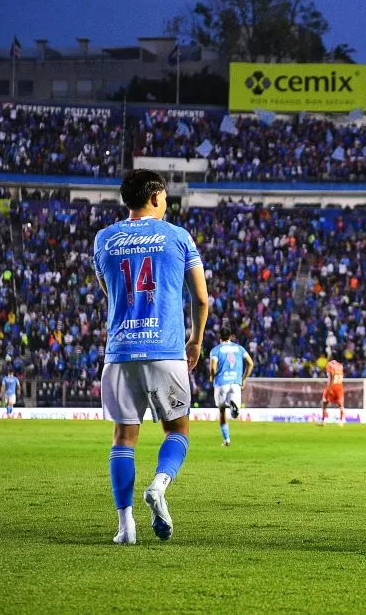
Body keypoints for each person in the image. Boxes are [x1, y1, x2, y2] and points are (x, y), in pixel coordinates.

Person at [94, 169, 209, 545]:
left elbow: (110, 291)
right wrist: (195, 341)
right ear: (156, 197)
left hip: (120, 352)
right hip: (166, 350)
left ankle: (125, 526)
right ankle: (159, 485)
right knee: (177, 431)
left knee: (123, 438)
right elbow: (201, 299)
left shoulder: (104, 239)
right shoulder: (178, 237)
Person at [209, 326, 254, 447]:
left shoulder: (216, 350)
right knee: (235, 414)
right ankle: (234, 409)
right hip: (235, 382)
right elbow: (250, 363)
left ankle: (227, 439)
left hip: (221, 383)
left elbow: (213, 367)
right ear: (230, 336)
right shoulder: (239, 348)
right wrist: (244, 379)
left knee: (221, 410)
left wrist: (212, 377)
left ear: (219, 336)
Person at [321, 357, 345, 426]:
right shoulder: (340, 365)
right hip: (340, 386)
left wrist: (330, 387)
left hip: (332, 385)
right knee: (341, 404)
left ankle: (323, 420)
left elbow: (332, 376)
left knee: (324, 402)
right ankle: (341, 421)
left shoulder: (329, 364)